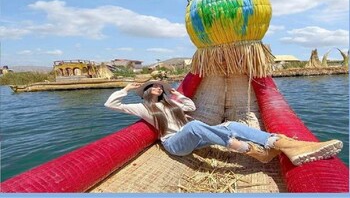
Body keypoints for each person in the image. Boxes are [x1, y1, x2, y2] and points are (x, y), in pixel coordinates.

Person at [104, 80, 343, 166]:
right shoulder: (142, 108)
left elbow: (192, 107)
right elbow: (111, 105)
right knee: (195, 126)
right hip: (175, 145)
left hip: (193, 138)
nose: (156, 88)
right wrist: (125, 89)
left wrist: (175, 94)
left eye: (158, 86)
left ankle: (279, 142)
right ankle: (252, 151)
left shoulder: (171, 104)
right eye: (151, 87)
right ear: (145, 92)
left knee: (230, 124)